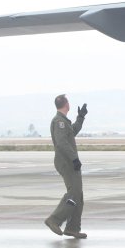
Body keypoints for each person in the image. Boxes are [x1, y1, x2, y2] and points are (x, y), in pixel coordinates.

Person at [44, 94, 88, 239]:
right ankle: (54, 219)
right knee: (73, 193)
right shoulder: (58, 121)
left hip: (70, 161)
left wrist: (80, 117)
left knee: (78, 195)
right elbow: (62, 142)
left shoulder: (64, 121)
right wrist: (74, 159)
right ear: (66, 104)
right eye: (68, 101)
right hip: (66, 162)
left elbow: (72, 132)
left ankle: (72, 228)